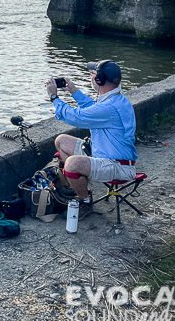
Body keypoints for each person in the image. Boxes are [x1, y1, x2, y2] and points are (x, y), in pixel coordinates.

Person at [46, 60, 137, 215]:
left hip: (117, 165)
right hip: (102, 154)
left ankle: (85, 200)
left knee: (72, 163)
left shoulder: (109, 107)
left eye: (93, 74)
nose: (91, 76)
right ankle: (79, 186)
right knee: (62, 141)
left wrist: (54, 97)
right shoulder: (114, 99)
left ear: (99, 80)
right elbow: (91, 108)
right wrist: (74, 91)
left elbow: (76, 117)